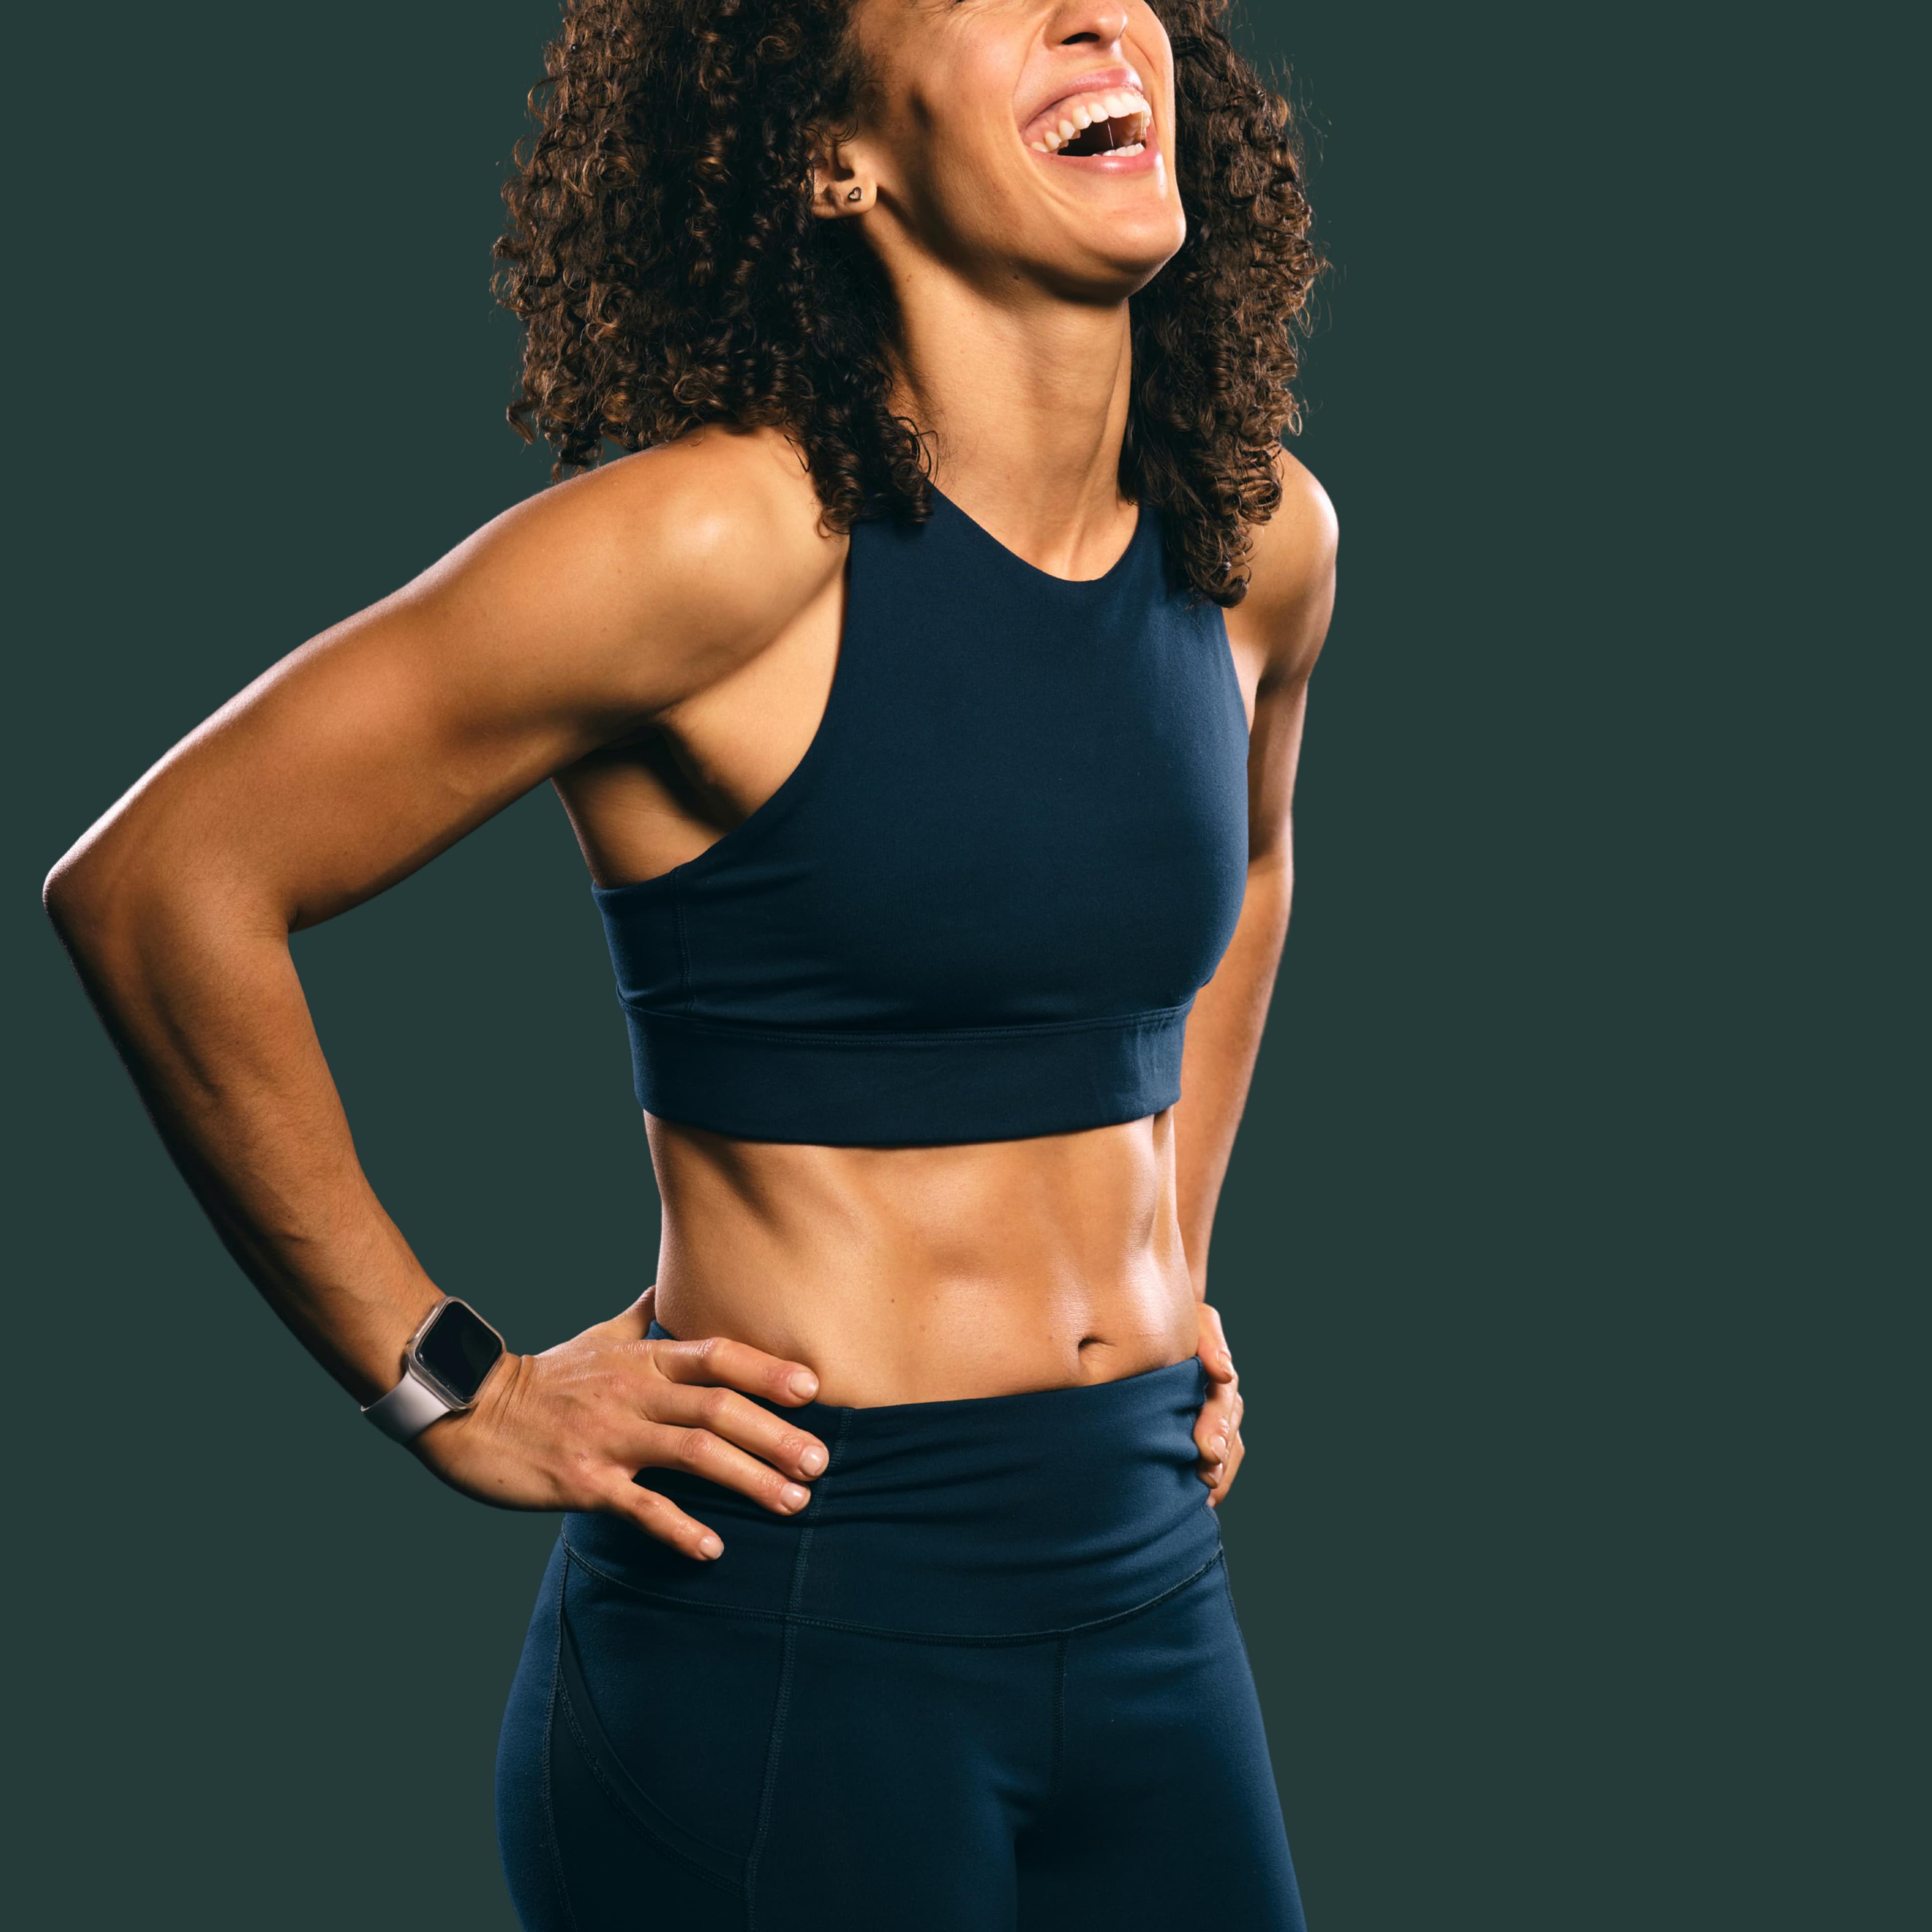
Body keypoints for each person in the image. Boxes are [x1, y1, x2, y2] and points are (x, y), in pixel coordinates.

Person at [44, 0, 1334, 1923]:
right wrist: (451, 1383)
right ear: (838, 160)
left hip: (1146, 1560)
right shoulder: (727, 541)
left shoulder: (1261, 539)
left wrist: (1169, 1261)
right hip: (807, 1616)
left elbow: (1246, 868)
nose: (1094, 10)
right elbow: (165, 882)